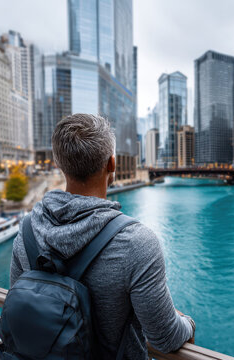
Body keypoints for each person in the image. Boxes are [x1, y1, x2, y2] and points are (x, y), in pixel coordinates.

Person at [10, 114, 195, 359]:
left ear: (58, 163)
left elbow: (18, 303)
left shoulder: (26, 232)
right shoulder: (137, 243)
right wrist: (188, 323)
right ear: (112, 164)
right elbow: (165, 337)